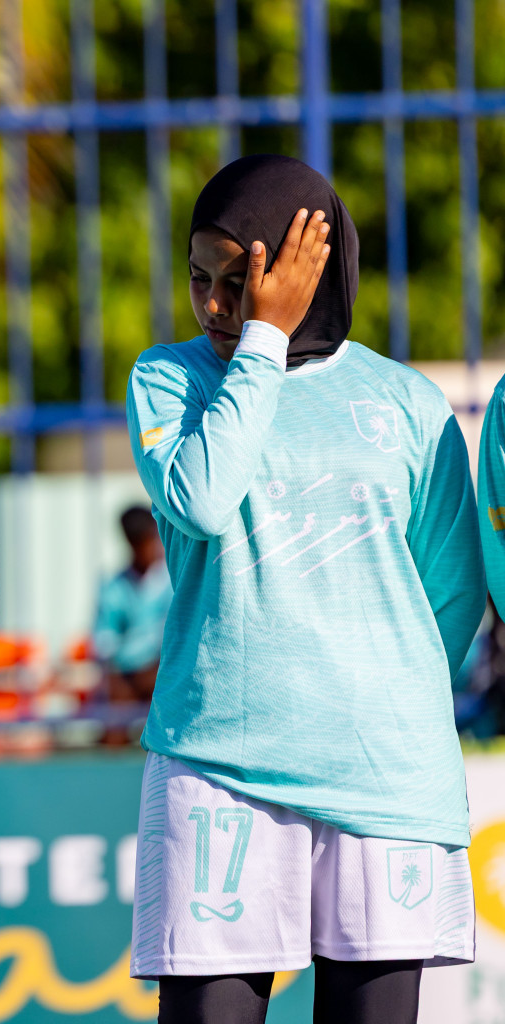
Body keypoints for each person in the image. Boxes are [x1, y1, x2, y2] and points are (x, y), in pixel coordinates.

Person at [126, 154, 482, 1024]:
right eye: (199, 278)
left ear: (308, 270)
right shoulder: (170, 379)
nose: (214, 303)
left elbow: (454, 590)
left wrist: (374, 698)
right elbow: (204, 501)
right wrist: (262, 342)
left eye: (242, 279)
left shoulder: (406, 402)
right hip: (218, 767)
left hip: (384, 777)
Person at [92, 505, 171, 741]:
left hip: (164, 671)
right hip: (127, 677)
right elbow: (104, 641)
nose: (152, 547)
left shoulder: (173, 582)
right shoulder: (114, 588)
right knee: (114, 699)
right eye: (144, 542)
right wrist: (122, 667)